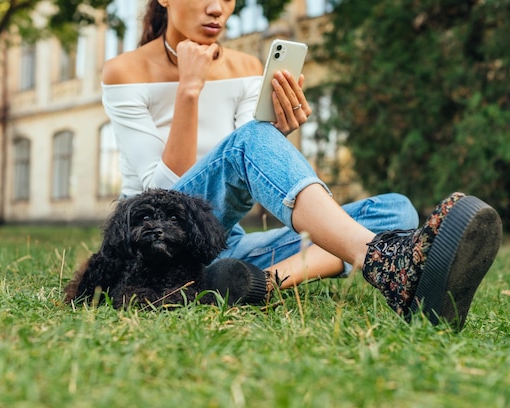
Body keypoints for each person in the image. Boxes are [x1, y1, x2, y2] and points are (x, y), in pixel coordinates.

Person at [100, 0, 502, 329]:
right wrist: (189, 89)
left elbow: (247, 180)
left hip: (222, 240)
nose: (217, 9)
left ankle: (261, 285)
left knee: (395, 209)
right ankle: (385, 264)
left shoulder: (244, 68)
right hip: (149, 239)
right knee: (250, 143)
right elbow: (159, 192)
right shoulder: (125, 71)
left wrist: (276, 137)